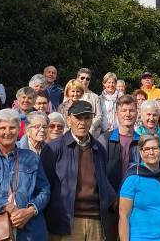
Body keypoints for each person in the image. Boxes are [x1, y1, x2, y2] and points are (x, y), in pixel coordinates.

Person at [0, 109, 50, 241]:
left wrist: (30, 211)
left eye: (12, 127)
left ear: (19, 130)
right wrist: (7, 206)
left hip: (29, 228)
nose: (7, 132)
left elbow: (44, 190)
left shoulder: (31, 157)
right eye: (3, 128)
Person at [41, 101, 116, 241]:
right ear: (69, 119)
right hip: (67, 221)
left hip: (96, 220)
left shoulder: (99, 148)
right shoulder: (53, 148)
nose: (83, 122)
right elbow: (45, 186)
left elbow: (103, 181)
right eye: (78, 118)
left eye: (87, 118)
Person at [97, 95, 141, 241]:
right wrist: (113, 199)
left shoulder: (142, 142)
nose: (128, 114)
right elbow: (99, 173)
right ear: (117, 114)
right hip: (110, 206)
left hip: (135, 205)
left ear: (137, 113)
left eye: (131, 110)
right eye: (124, 110)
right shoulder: (104, 139)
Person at [77, 68, 103, 137]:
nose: (85, 80)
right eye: (82, 78)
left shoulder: (95, 97)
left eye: (87, 79)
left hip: (91, 132)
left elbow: (99, 116)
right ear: (77, 79)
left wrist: (91, 127)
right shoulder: (71, 95)